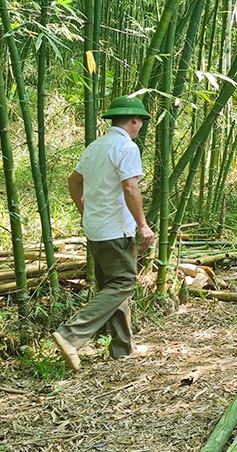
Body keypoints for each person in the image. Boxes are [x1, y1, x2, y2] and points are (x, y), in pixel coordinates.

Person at [51, 96, 156, 370]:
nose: (140, 126)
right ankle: (70, 334)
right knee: (124, 283)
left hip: (96, 228)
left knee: (112, 287)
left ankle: (123, 348)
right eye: (141, 122)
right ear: (135, 121)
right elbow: (130, 188)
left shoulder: (95, 146)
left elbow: (74, 181)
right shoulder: (126, 147)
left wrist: (84, 210)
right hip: (115, 229)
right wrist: (143, 225)